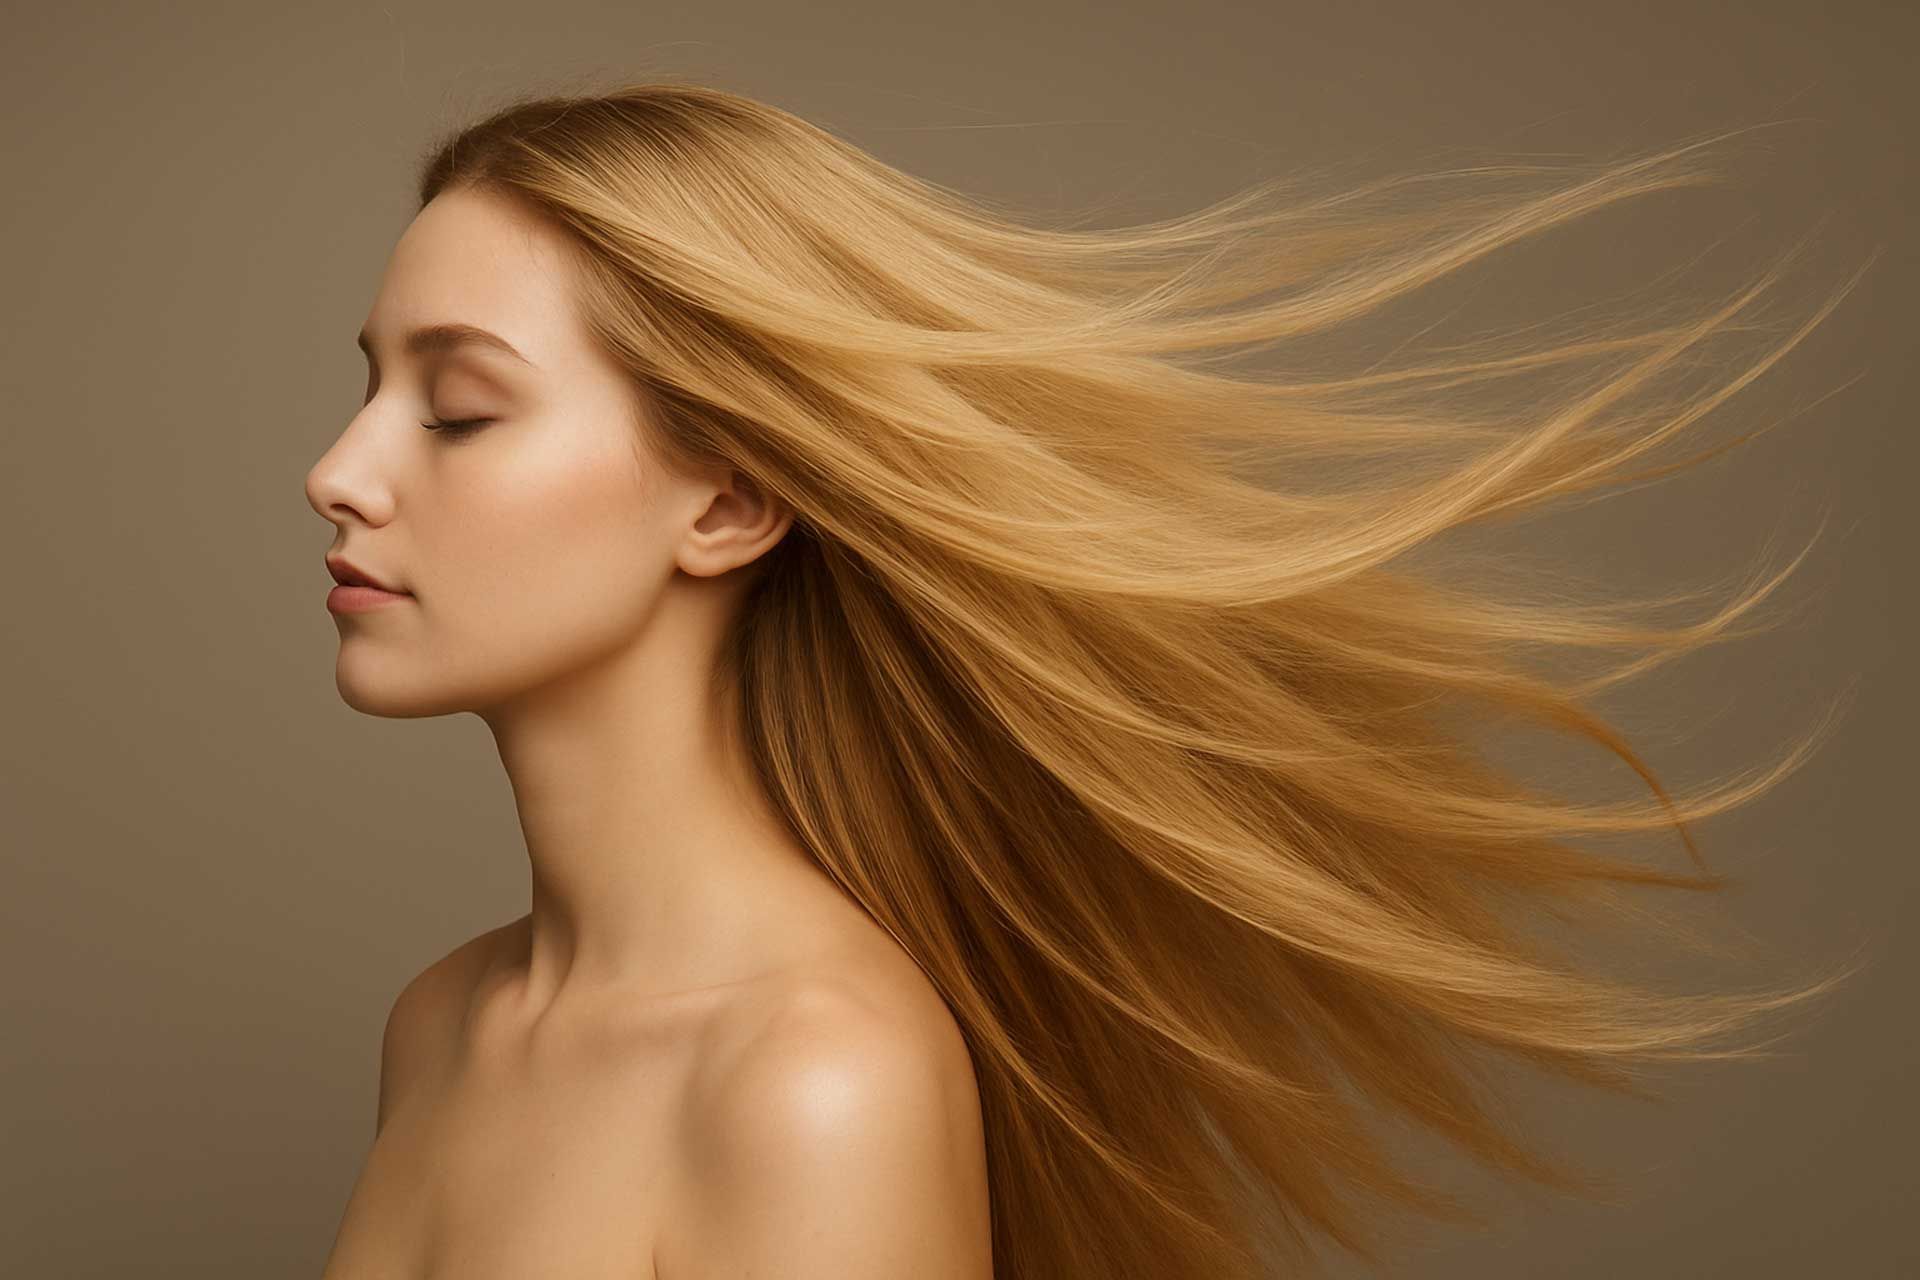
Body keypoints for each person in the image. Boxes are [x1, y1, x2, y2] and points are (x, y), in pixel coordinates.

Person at [304, 80, 1871, 1279]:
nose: (338, 472)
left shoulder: (810, 1077)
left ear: (725, 501)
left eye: (456, 411)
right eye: (370, 386)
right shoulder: (440, 1026)